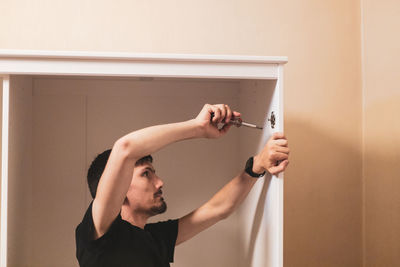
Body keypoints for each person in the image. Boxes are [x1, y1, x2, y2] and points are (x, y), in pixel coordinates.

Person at [75, 103, 290, 267]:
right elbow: (124, 148)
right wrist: (198, 127)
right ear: (119, 188)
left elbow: (217, 209)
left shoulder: (153, 238)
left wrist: (257, 166)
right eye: (146, 174)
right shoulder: (99, 234)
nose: (159, 182)